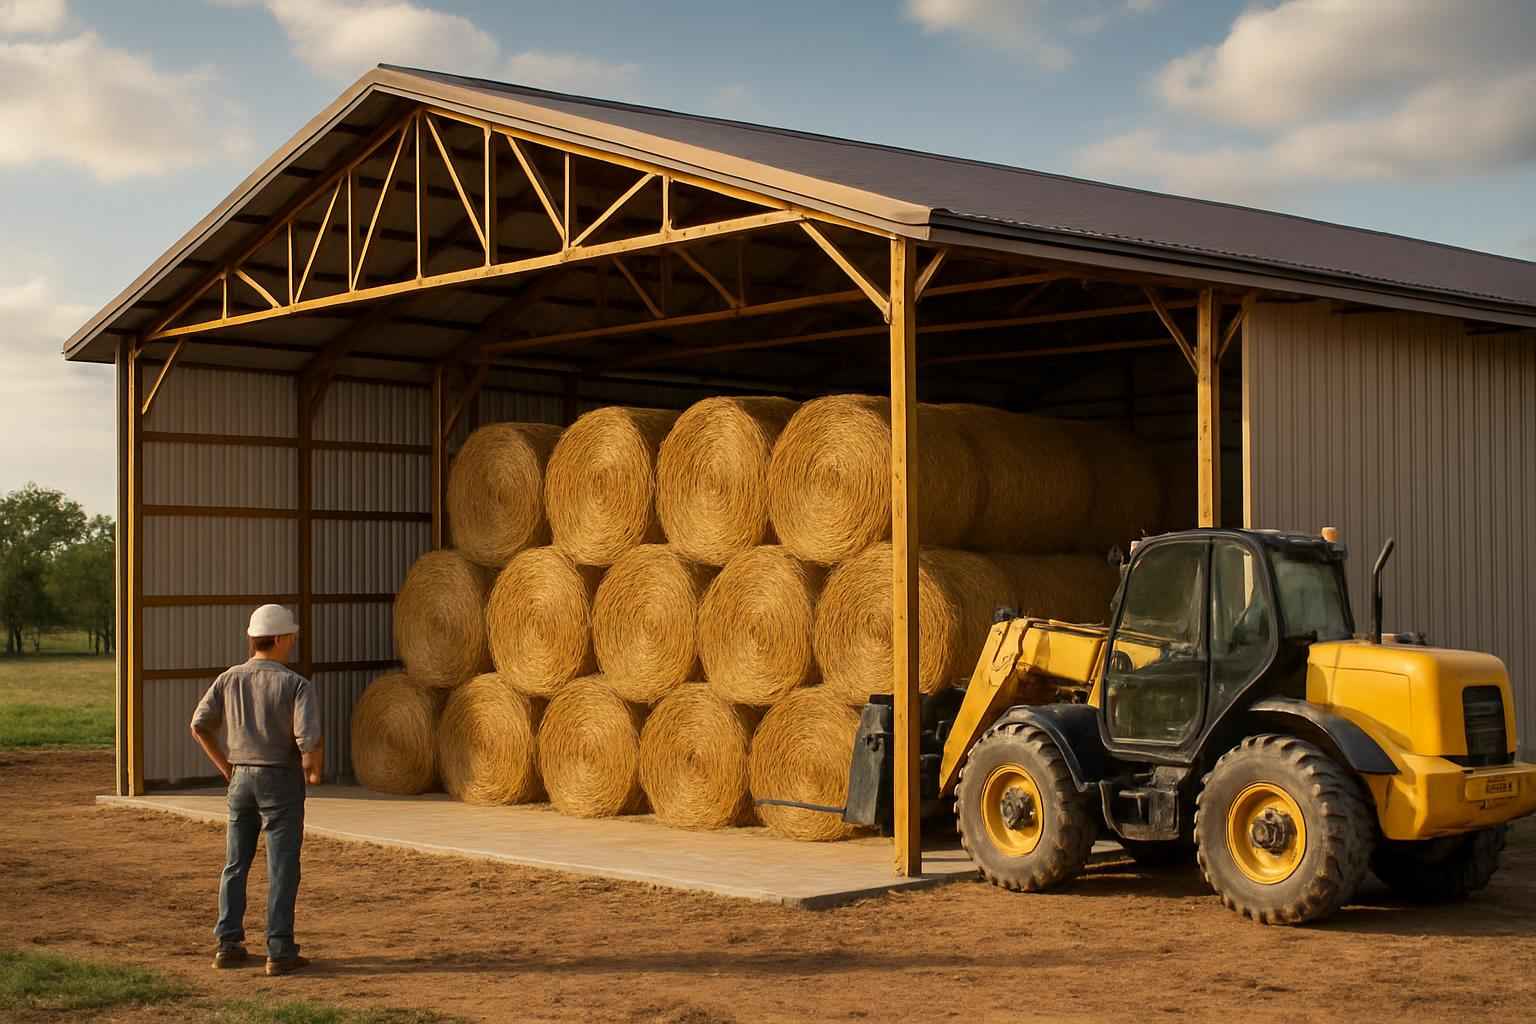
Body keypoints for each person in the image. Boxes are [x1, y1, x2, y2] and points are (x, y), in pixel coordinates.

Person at [189, 603, 323, 976]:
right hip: (280, 778)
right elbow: (307, 739)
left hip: (241, 779)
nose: (293, 643)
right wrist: (312, 769)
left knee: (235, 864)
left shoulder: (229, 678)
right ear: (279, 638)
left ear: (253, 638)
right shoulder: (296, 684)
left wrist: (228, 769)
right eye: (291, 638)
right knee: (281, 867)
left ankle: (228, 944)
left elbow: (199, 725)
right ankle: (279, 950)